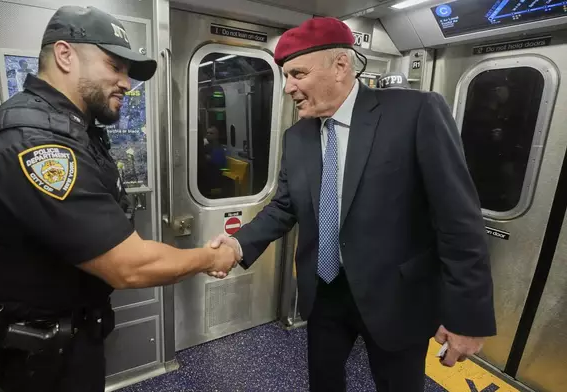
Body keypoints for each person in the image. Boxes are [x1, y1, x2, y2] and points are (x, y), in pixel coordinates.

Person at [0, 6, 238, 392]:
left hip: (66, 336)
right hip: (39, 357)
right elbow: (130, 267)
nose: (126, 82)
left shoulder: (75, 128)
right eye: (114, 66)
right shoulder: (35, 143)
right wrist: (213, 257)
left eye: (128, 72)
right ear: (65, 54)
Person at [209, 17, 496, 392]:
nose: (287, 87)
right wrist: (237, 243)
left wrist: (467, 317)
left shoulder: (415, 114)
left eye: (296, 74)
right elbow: (284, 205)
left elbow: (458, 219)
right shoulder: (297, 137)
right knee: (324, 383)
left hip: (396, 295)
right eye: (284, 76)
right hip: (325, 289)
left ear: (340, 66)